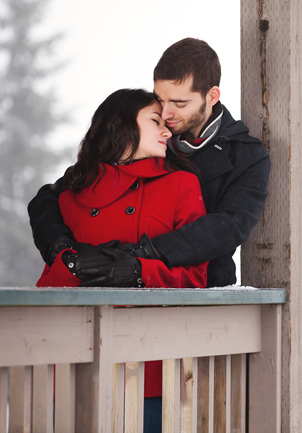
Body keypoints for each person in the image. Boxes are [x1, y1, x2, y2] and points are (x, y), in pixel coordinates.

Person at [28, 38, 270, 288]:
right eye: (160, 100)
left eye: (179, 103)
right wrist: (60, 249)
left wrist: (138, 256)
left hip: (199, 293)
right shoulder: (145, 138)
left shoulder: (246, 156)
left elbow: (228, 227)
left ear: (211, 96)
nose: (166, 114)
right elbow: (53, 196)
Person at [35, 88, 209, 433]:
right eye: (156, 121)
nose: (167, 131)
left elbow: (195, 277)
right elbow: (50, 284)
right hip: (74, 364)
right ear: (120, 127)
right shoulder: (72, 195)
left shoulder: (181, 185)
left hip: (151, 367)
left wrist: (138, 271)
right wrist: (75, 266)